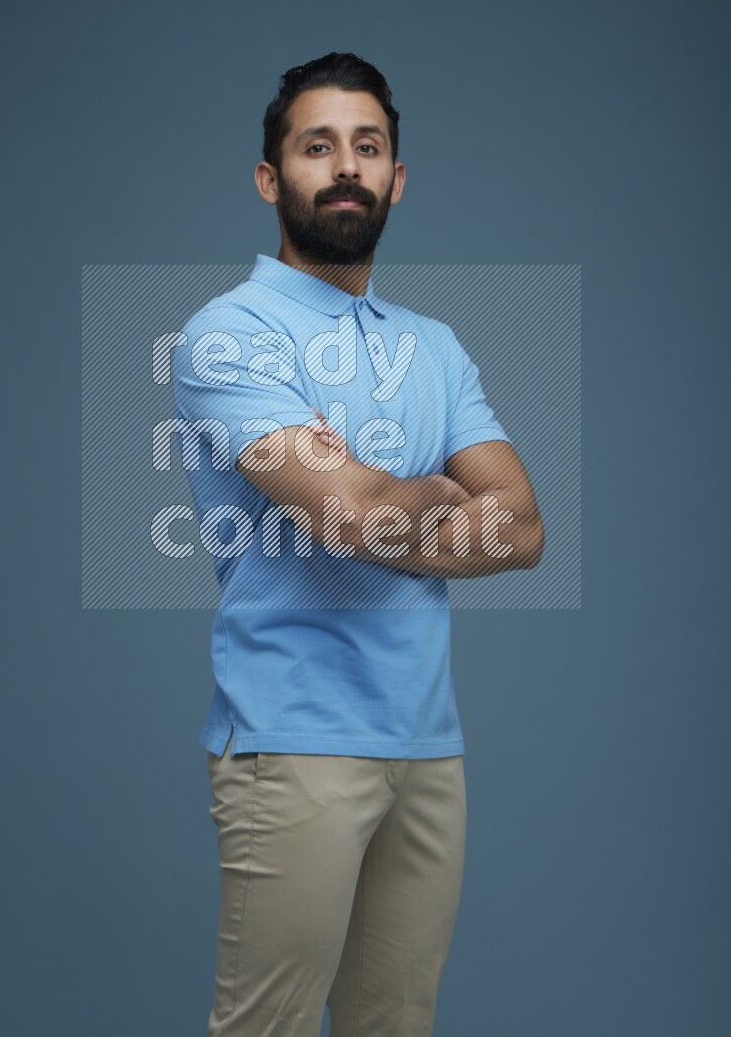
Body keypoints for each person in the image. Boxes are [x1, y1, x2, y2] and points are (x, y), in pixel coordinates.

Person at [172, 52, 544, 1036]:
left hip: (427, 741)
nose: (344, 165)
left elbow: (523, 524)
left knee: (396, 1022)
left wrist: (385, 505)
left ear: (394, 178)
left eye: (366, 146)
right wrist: (431, 492)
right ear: (271, 177)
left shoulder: (434, 345)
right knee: (269, 1026)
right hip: (292, 732)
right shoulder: (229, 334)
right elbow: (351, 513)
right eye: (316, 144)